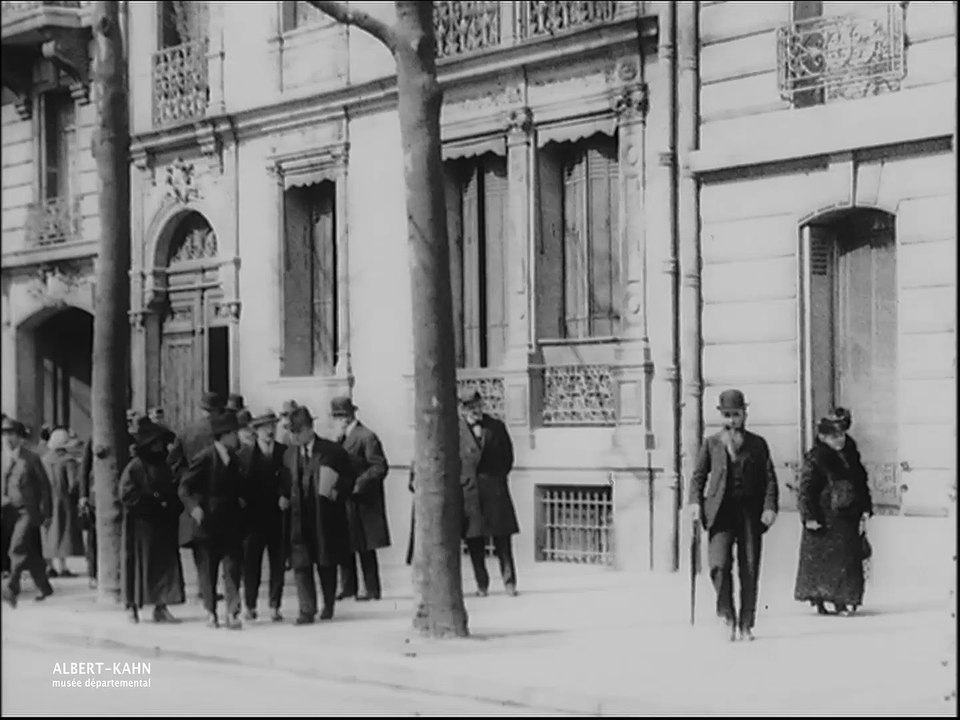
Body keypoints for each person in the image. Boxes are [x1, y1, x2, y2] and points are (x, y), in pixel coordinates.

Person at [687, 389, 779, 642]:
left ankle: (746, 623)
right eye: (726, 416)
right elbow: (698, 477)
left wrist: (769, 507)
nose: (731, 421)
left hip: (750, 514)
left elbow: (770, 479)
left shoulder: (758, 444)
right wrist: (695, 503)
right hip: (720, 514)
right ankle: (726, 614)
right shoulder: (712, 443)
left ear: (744, 415)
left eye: (736, 415)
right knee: (718, 565)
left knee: (749, 568)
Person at [794, 415, 873, 616]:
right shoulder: (816, 458)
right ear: (822, 437)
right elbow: (806, 489)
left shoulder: (851, 455)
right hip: (824, 516)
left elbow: (861, 483)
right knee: (822, 562)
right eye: (833, 436)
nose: (839, 440)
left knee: (847, 560)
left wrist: (865, 508)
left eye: (841, 435)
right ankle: (820, 600)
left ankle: (844, 601)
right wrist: (809, 516)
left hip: (847, 516)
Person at [282, 406, 355, 624]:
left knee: (326, 563)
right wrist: (283, 495)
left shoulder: (332, 451)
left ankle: (329, 603)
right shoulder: (289, 454)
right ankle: (307, 609)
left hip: (325, 517)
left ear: (308, 429)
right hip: (298, 519)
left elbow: (349, 477)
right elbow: (284, 482)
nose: (293, 436)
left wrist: (337, 491)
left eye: (296, 432)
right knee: (301, 566)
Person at [179, 411, 247, 629]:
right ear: (224, 435)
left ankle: (233, 612)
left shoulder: (235, 459)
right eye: (234, 433)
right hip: (207, 523)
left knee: (233, 568)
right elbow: (184, 487)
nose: (237, 437)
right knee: (208, 570)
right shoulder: (205, 457)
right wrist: (194, 507)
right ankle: (211, 612)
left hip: (231, 523)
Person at [120, 417, 186, 624]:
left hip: (163, 525)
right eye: (156, 443)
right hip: (141, 526)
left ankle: (161, 606)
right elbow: (127, 495)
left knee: (164, 567)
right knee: (139, 566)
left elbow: (174, 489)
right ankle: (133, 606)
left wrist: (171, 504)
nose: (160, 447)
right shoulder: (135, 467)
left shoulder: (164, 466)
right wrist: (153, 503)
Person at [458, 389, 519, 598]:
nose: (475, 410)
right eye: (469, 407)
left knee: (503, 540)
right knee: (475, 542)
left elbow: (508, 458)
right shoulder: (454, 430)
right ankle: (481, 585)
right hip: (470, 494)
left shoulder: (496, 427)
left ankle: (509, 583)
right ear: (462, 409)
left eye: (477, 405)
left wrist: (497, 479)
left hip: (495, 491)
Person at [168, 391, 226, 603]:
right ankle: (212, 586)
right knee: (220, 543)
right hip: (218, 492)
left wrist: (186, 478)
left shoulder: (187, 432)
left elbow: (173, 462)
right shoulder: (222, 431)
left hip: (193, 494)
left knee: (200, 545)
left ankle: (205, 587)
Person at [331, 396, 390, 602]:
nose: (336, 422)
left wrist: (359, 484)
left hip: (364, 500)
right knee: (345, 543)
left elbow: (379, 466)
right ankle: (349, 587)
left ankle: (372, 589)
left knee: (366, 546)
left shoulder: (366, 436)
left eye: (338, 417)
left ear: (347, 417)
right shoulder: (340, 438)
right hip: (346, 499)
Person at [238, 410, 288, 622]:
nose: (269, 431)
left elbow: (290, 478)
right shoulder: (244, 455)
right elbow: (239, 485)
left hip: (278, 517)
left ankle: (275, 605)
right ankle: (250, 605)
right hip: (253, 519)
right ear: (256, 431)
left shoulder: (284, 452)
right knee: (251, 564)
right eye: (265, 427)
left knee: (278, 563)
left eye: (272, 426)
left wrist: (285, 495)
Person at [2, 417, 54, 607]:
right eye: (5, 435)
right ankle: (44, 586)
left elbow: (45, 487)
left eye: (12, 435)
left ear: (20, 438)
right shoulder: (4, 458)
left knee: (17, 547)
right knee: (30, 553)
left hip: (27, 511)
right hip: (8, 511)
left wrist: (47, 513)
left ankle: (12, 588)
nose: (9, 439)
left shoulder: (31, 458)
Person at [41, 428, 85, 578]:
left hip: (45, 500)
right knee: (63, 533)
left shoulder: (44, 460)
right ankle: (63, 567)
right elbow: (74, 484)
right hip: (64, 501)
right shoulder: (69, 461)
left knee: (47, 534)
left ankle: (49, 567)